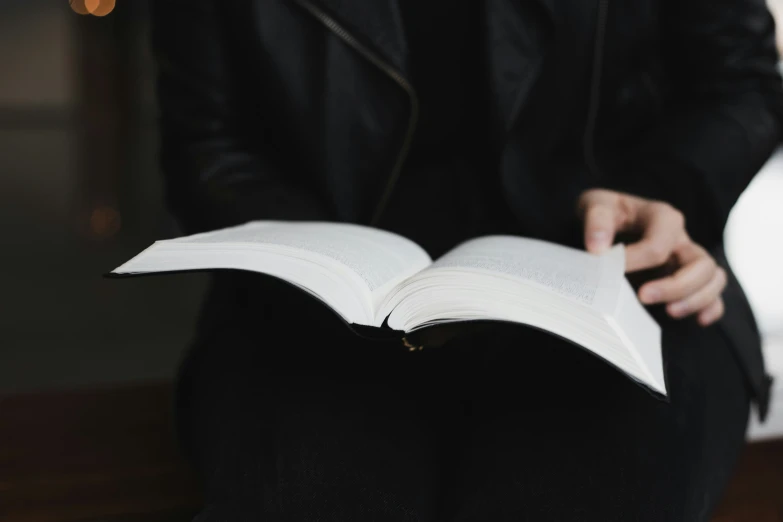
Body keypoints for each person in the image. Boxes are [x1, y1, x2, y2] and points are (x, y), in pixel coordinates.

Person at [150, 1, 783, 520]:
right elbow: (205, 144)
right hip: (313, 315)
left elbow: (743, 82)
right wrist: (319, 261)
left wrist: (664, 191)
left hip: (621, 284)